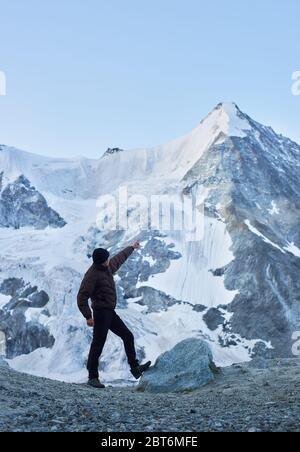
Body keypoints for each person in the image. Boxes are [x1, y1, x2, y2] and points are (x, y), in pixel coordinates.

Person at [77, 241, 151, 389]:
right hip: (100, 313)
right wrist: (88, 316)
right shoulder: (92, 275)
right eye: (107, 259)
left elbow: (119, 258)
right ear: (101, 261)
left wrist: (131, 248)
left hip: (109, 312)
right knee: (98, 343)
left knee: (127, 336)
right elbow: (81, 296)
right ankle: (92, 377)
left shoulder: (107, 267)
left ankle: (135, 369)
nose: (109, 260)